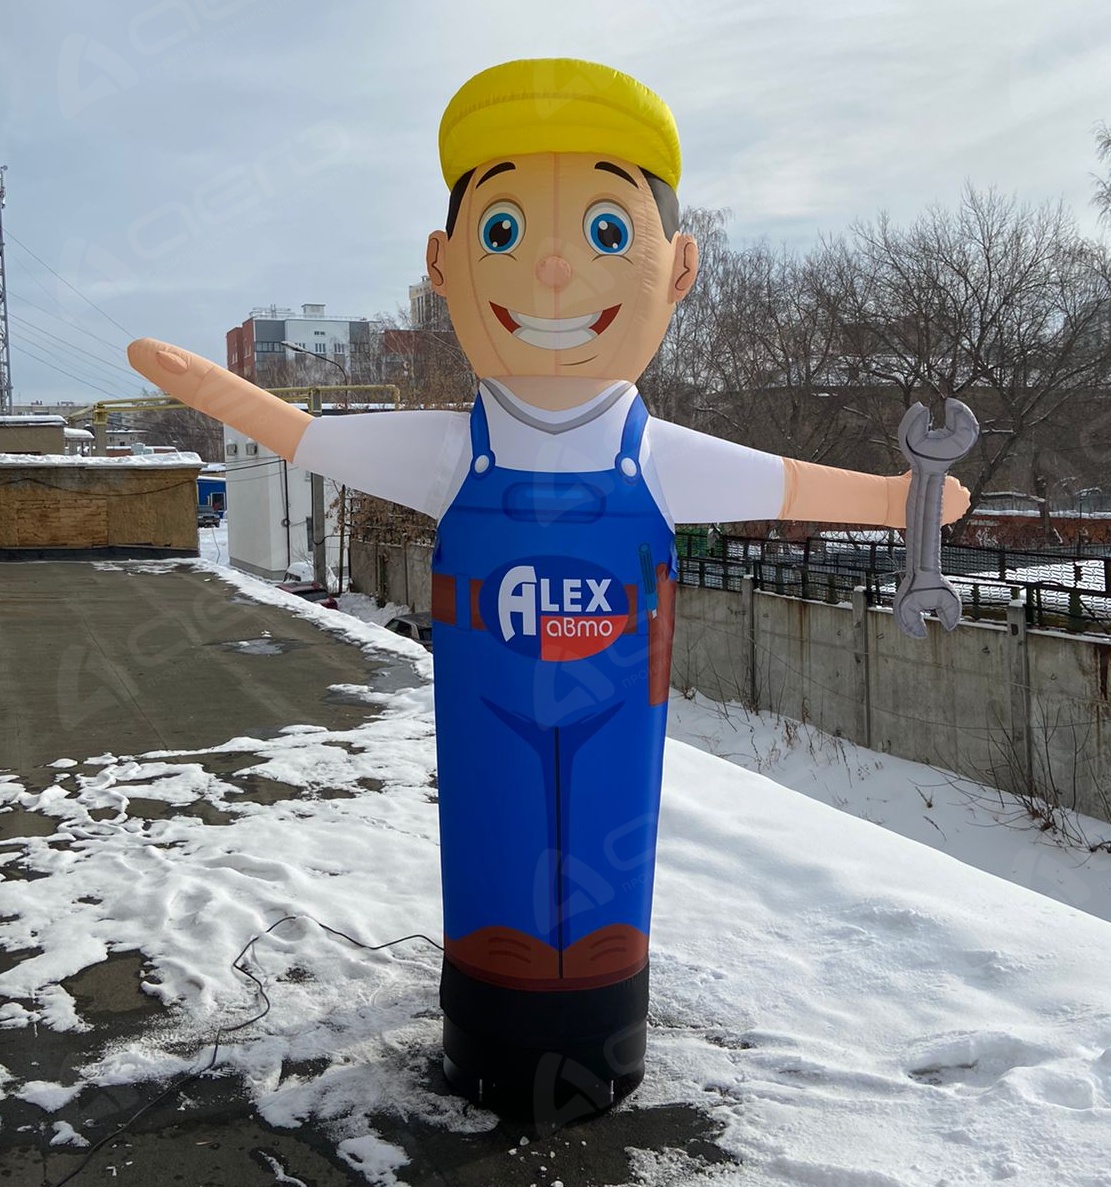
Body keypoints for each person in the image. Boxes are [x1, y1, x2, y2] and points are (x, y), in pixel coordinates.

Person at [128, 57, 968, 1119]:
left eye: (609, 232)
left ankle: (602, 1026)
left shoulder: (654, 456)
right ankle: (485, 1025)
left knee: (605, 890)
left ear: (678, 269)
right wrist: (218, 392)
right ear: (443, 265)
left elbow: (791, 482)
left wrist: (901, 499)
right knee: (498, 871)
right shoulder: (452, 450)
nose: (559, 269)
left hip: (620, 749)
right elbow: (309, 438)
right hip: (487, 748)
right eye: (505, 231)